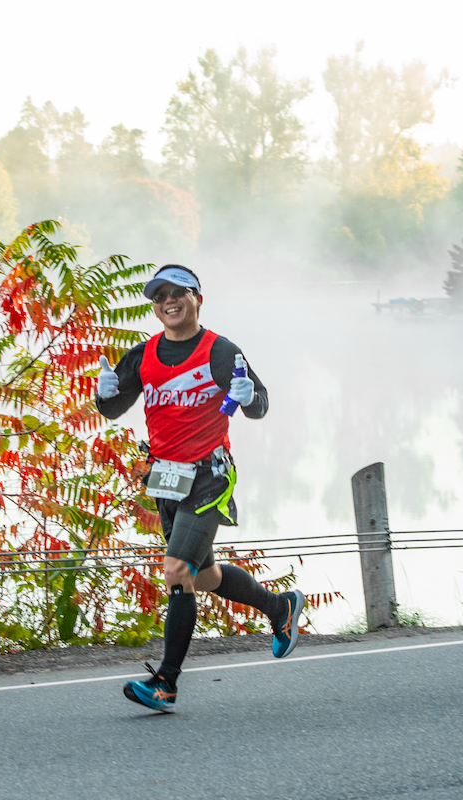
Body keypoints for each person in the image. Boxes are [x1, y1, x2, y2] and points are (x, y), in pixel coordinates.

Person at [96, 264, 304, 711]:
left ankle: (166, 682)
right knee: (204, 577)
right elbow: (114, 409)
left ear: (197, 299)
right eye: (159, 296)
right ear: (154, 306)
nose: (168, 301)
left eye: (178, 293)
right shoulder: (143, 355)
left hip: (211, 474)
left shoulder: (220, 351)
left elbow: (260, 405)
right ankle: (278, 608)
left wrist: (249, 398)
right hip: (167, 477)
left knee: (175, 570)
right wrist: (104, 395)